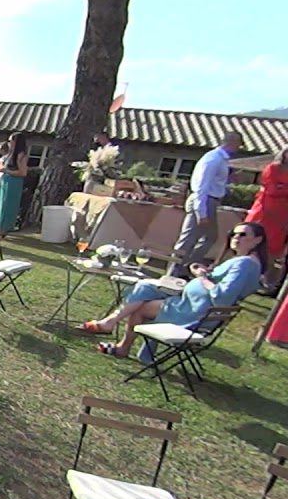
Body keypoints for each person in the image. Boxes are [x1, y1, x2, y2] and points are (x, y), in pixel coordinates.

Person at [81, 221, 267, 357]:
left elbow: (222, 297)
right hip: (192, 305)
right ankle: (113, 326)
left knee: (141, 306)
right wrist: (206, 273)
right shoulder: (249, 263)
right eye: (234, 234)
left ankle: (122, 343)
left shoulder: (244, 264)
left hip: (194, 314)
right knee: (146, 286)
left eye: (243, 235)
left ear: (258, 240)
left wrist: (201, 277)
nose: (236, 238)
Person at [167, 131, 243, 278]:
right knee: (189, 239)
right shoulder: (214, 159)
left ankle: (184, 267)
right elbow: (202, 187)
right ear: (233, 142)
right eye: (238, 144)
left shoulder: (219, 159)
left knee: (208, 237)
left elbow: (212, 182)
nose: (238, 148)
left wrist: (228, 179)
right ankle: (175, 271)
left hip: (209, 200)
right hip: (204, 200)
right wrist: (201, 212)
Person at [246, 145, 288, 291]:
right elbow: (272, 189)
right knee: (253, 242)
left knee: (274, 248)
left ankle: (263, 279)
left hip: (282, 215)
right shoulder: (273, 168)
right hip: (265, 211)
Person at [0, 132, 28, 237]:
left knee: (6, 207)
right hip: (5, 181)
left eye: (10, 141)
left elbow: (23, 173)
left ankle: (2, 231)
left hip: (13, 182)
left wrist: (6, 171)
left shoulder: (21, 155)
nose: (8, 143)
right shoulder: (10, 154)